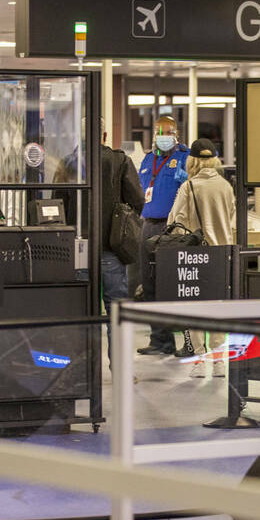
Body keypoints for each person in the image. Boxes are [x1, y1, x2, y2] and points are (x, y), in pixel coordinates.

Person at [166, 138, 235, 378]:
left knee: (193, 308)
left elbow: (176, 222)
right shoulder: (226, 186)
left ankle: (199, 361)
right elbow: (232, 218)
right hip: (221, 254)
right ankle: (218, 362)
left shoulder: (189, 186)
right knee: (217, 309)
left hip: (195, 255)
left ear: (192, 160)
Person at [136, 114, 190, 356]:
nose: (163, 137)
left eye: (168, 132)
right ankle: (160, 340)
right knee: (149, 285)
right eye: (160, 132)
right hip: (148, 225)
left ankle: (187, 343)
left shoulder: (184, 158)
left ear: (176, 135)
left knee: (173, 286)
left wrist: (186, 176)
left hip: (172, 228)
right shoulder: (148, 159)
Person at [100, 120, 145, 351]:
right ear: (105, 135)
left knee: (78, 312)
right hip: (112, 247)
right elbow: (138, 200)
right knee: (116, 311)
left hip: (78, 250)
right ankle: (119, 369)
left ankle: (80, 371)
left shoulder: (70, 163)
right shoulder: (120, 161)